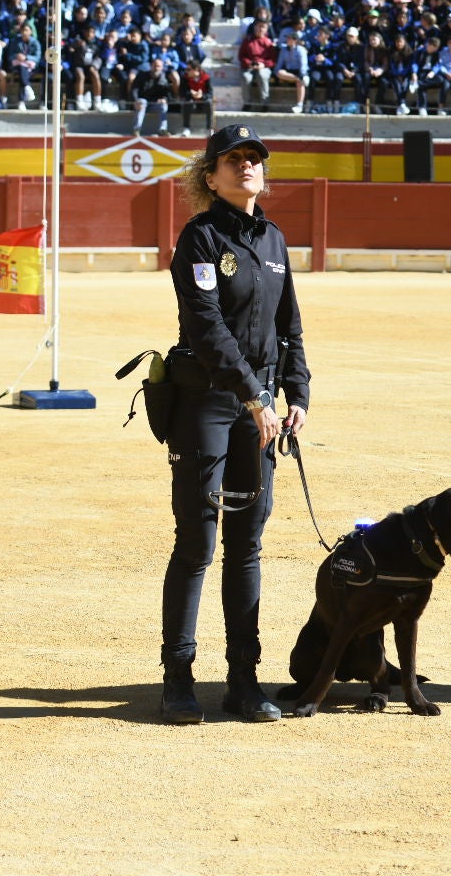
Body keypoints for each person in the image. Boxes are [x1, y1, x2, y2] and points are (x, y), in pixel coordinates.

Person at [160, 124, 310, 724]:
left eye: (254, 159)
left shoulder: (272, 240)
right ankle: (178, 680)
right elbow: (206, 328)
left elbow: (289, 327)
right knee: (197, 541)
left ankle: (244, 682)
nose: (247, 166)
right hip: (207, 404)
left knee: (247, 544)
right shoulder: (199, 239)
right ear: (211, 174)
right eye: (234, 159)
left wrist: (295, 391)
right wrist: (254, 394)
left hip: (261, 411)